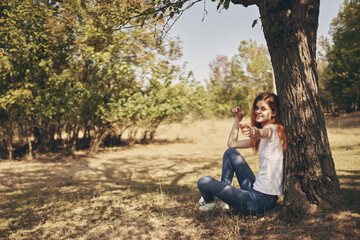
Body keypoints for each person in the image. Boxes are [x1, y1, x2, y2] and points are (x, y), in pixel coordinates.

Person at [197, 92, 287, 215]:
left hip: (259, 201)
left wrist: (251, 130)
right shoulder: (266, 135)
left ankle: (211, 201)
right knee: (230, 153)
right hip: (257, 190)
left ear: (274, 112)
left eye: (263, 109)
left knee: (203, 181)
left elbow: (260, 132)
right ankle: (221, 200)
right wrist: (238, 118)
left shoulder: (272, 129)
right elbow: (232, 143)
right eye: (256, 108)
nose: (258, 111)